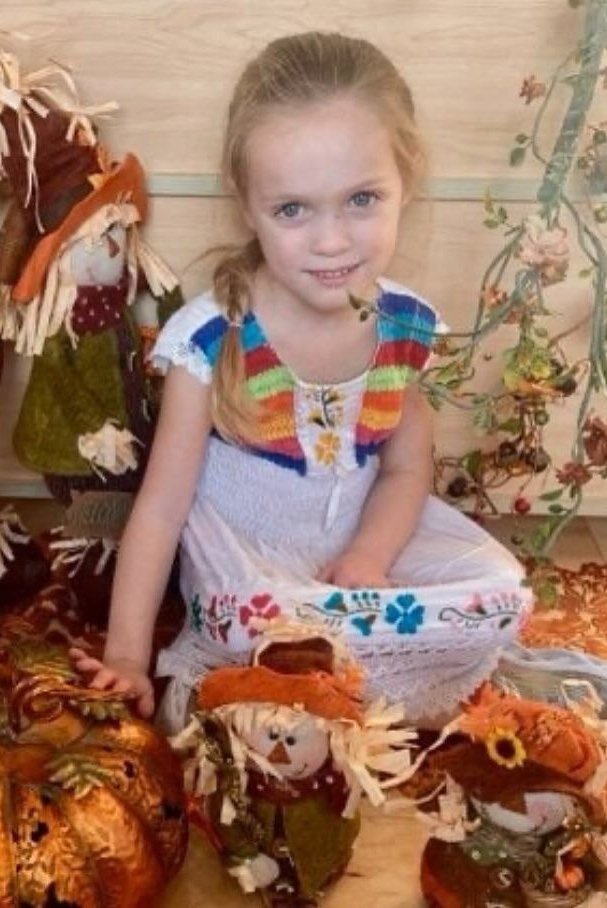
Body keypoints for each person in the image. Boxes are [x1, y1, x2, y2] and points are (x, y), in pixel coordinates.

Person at [72, 31, 533, 731]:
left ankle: (324, 677)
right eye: (293, 209)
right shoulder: (215, 338)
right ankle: (313, 675)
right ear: (247, 203)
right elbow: (163, 509)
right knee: (246, 623)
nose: (331, 240)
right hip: (248, 563)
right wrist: (128, 656)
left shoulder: (404, 329)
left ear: (405, 180)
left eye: (361, 199)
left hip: (358, 542)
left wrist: (369, 559)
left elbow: (407, 469)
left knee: (503, 594)